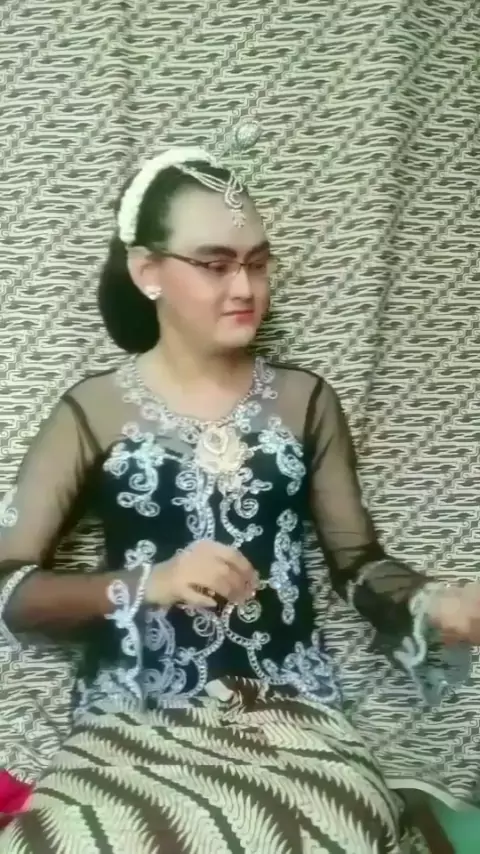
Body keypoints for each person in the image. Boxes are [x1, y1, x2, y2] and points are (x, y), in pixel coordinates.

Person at [0, 140, 479, 854]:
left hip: (290, 712)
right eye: (215, 264)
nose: (245, 287)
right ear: (147, 271)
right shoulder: (93, 412)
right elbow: (11, 589)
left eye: (257, 262)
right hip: (132, 717)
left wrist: (434, 605)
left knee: (337, 835)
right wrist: (152, 583)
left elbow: (359, 565)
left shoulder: (304, 401)